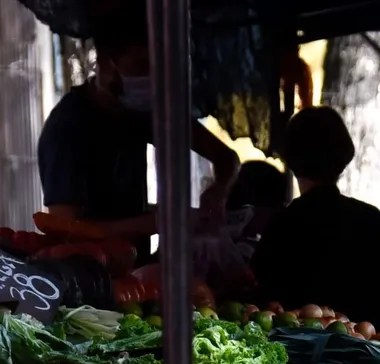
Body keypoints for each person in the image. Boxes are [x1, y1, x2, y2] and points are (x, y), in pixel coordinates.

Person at [36, 14, 240, 264]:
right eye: (142, 66)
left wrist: (217, 192)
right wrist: (162, 221)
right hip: (90, 274)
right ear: (105, 63)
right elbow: (64, 228)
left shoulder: (139, 113)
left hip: (135, 269)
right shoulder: (68, 128)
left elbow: (226, 158)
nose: (152, 78)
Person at [250, 106, 380, 329]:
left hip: (294, 347)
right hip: (370, 346)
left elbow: (264, 298)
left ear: (290, 161)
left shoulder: (284, 225)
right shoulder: (375, 222)